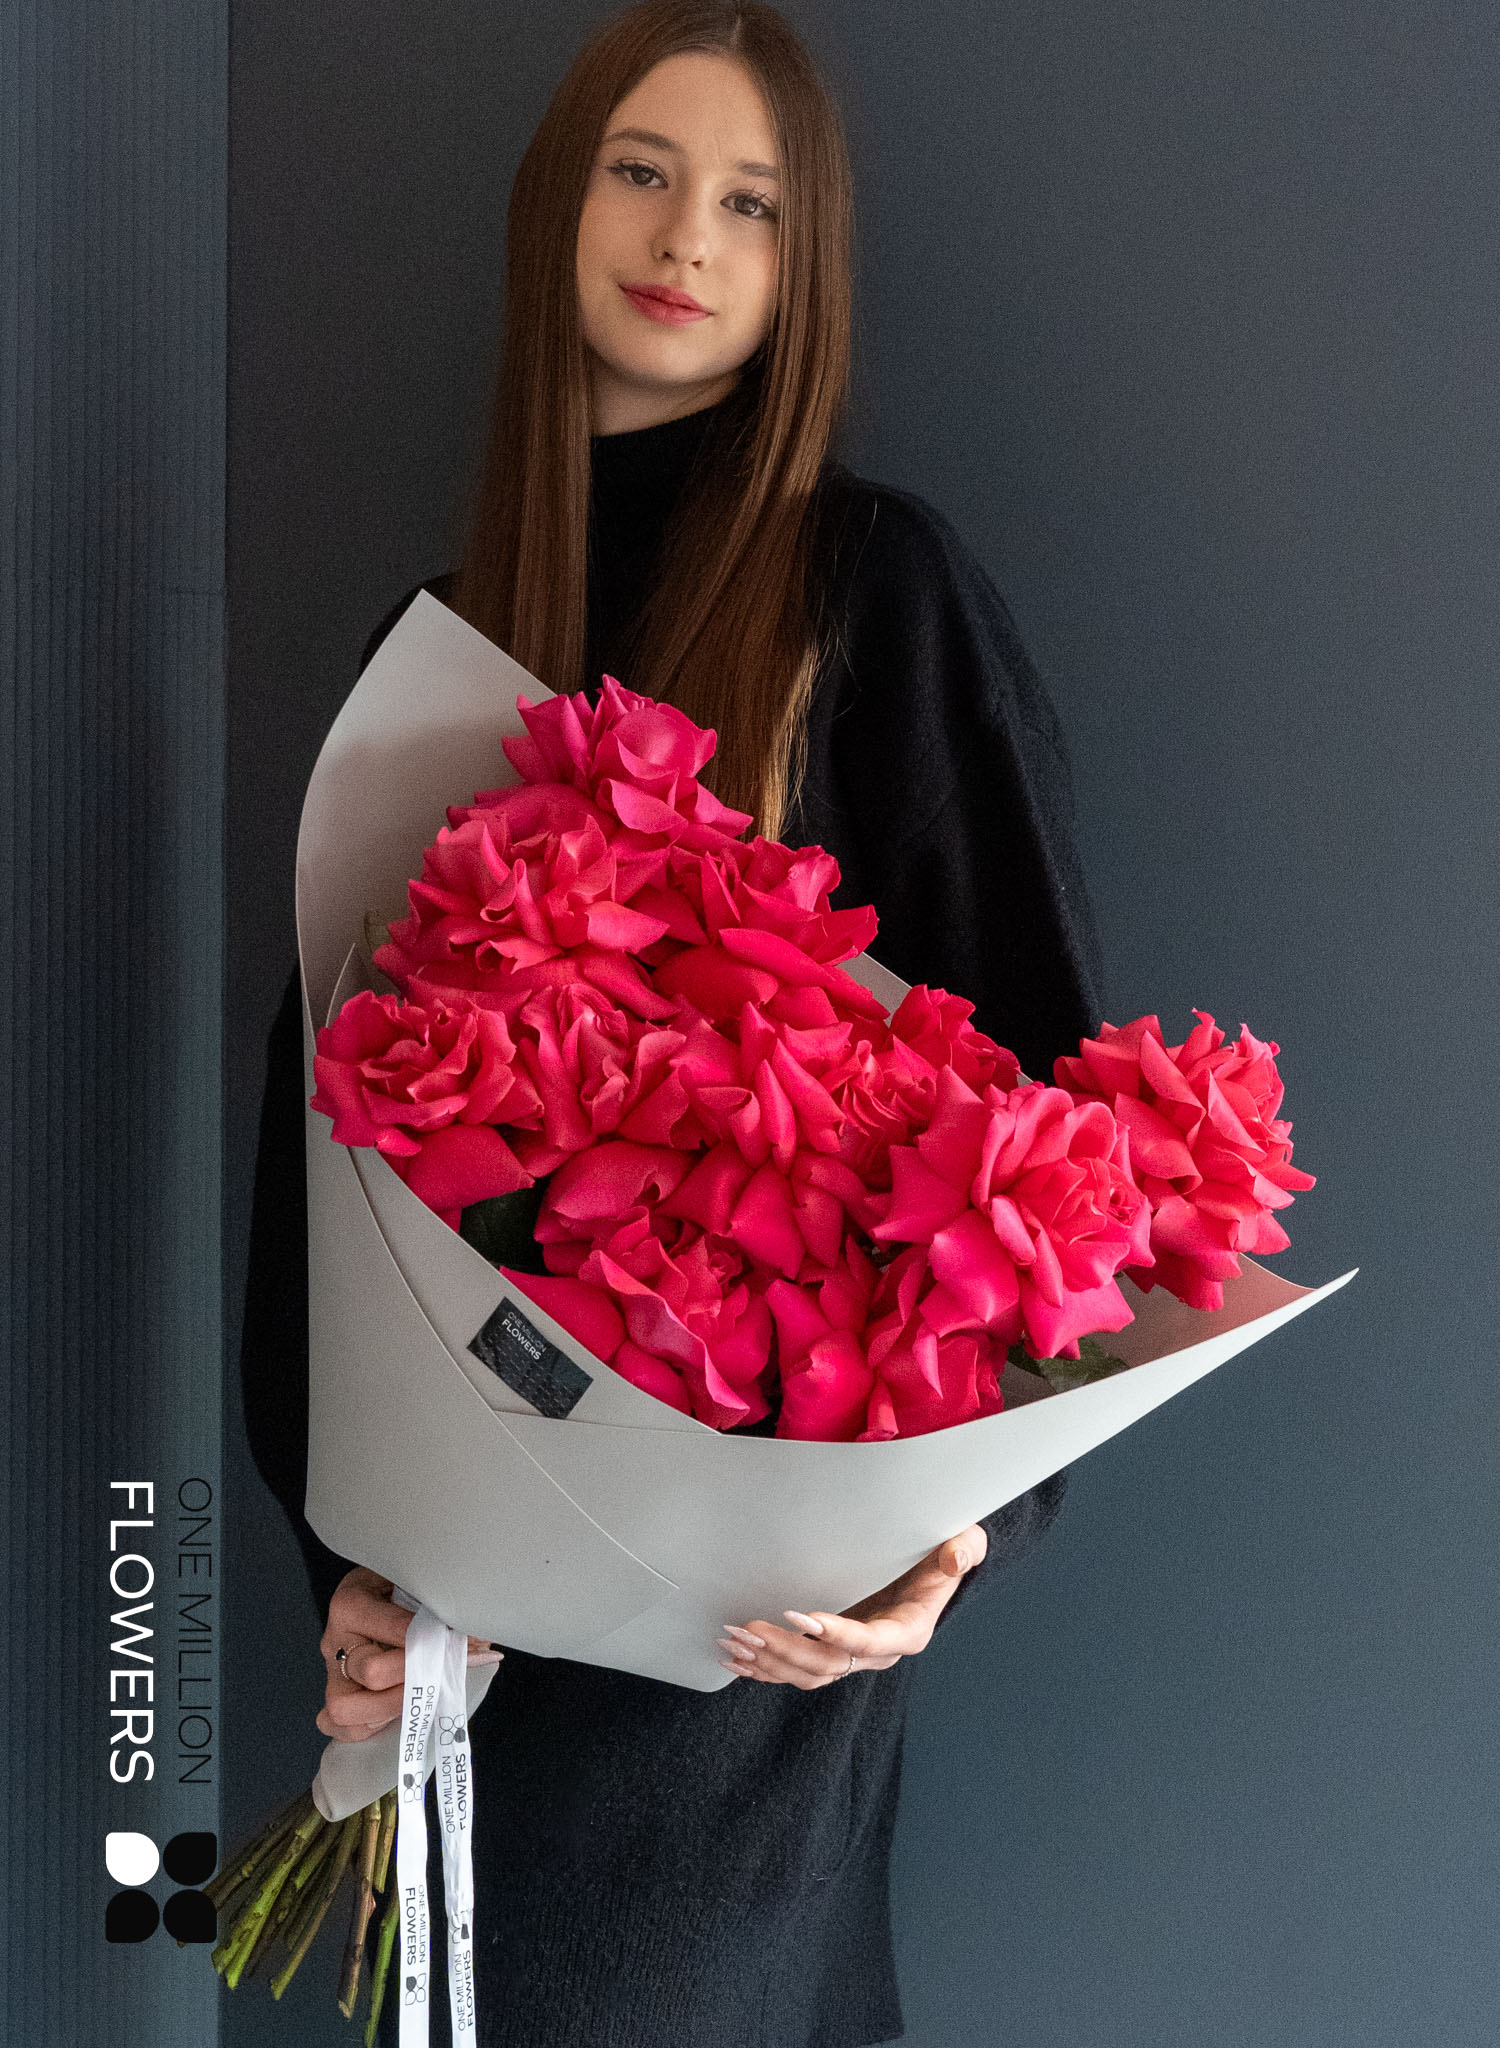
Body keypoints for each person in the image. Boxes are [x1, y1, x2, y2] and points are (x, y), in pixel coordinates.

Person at [239, 4, 1104, 2041]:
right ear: (559, 204)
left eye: (752, 203)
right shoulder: (441, 645)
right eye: (640, 170)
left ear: (807, 273)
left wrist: (958, 1532)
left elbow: (1063, 1150)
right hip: (472, 1619)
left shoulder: (875, 596)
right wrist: (349, 1570)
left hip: (752, 1632)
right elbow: (317, 1174)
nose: (686, 236)